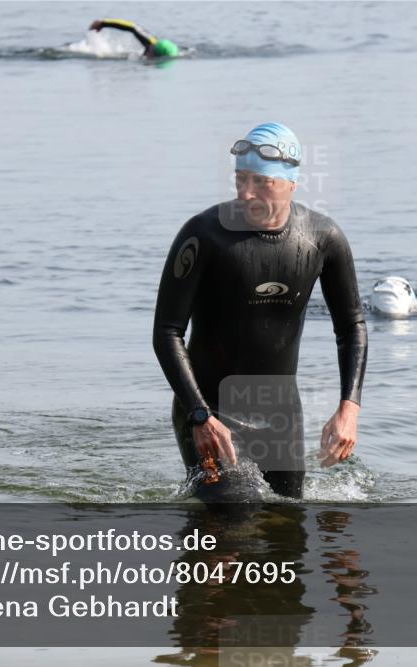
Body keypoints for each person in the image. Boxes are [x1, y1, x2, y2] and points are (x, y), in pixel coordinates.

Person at [152, 122, 368, 500]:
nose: (246, 192)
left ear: (291, 183)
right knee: (230, 523)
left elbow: (351, 326)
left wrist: (348, 408)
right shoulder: (203, 235)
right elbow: (167, 332)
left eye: (261, 182)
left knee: (288, 536)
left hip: (281, 416)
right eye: (240, 179)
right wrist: (200, 416)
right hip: (210, 409)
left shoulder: (322, 237)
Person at [88, 19, 179, 58]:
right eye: (152, 48)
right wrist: (103, 23)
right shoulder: (151, 42)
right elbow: (132, 27)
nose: (149, 52)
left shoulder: (156, 59)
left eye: (152, 51)